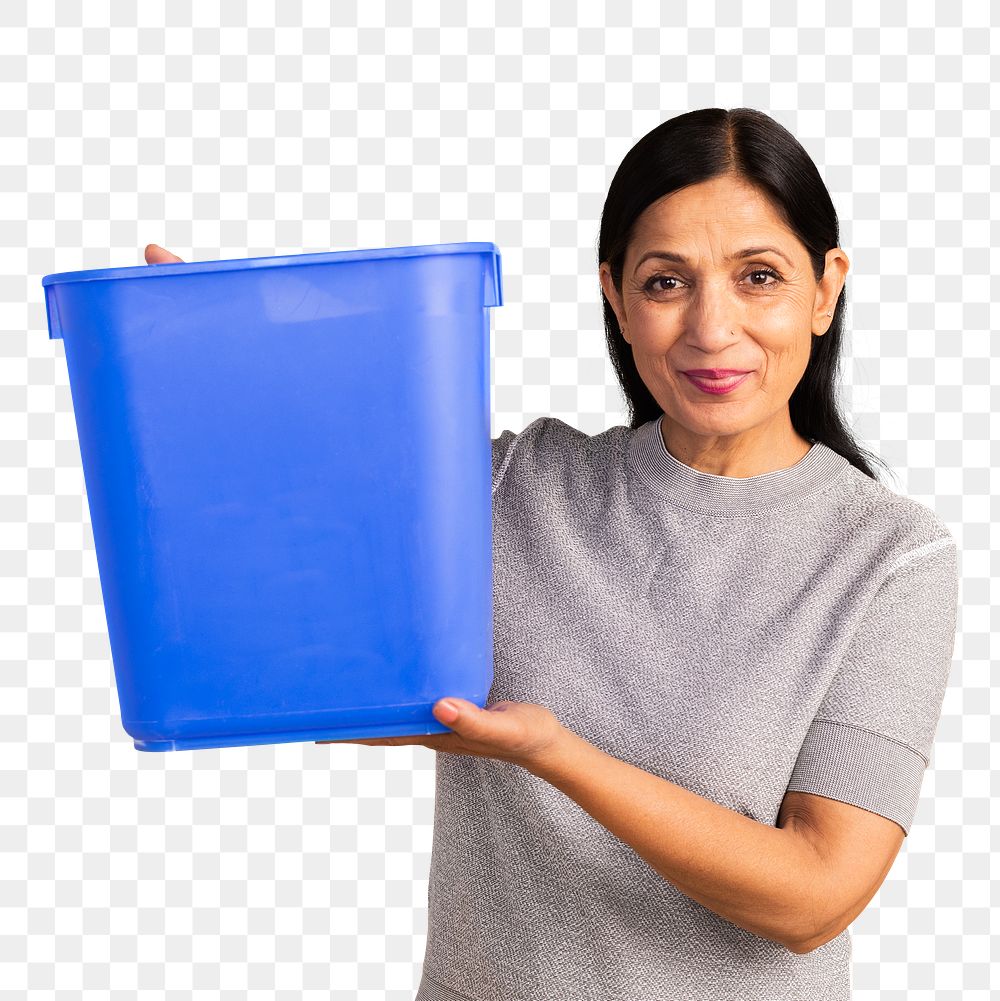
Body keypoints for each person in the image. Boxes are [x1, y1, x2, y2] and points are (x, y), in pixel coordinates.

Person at [144, 106, 961, 1001]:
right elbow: (308, 626)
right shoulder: (512, 485)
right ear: (615, 295)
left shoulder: (889, 558)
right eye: (665, 283)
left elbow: (815, 894)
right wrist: (222, 356)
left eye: (758, 276)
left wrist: (554, 754)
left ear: (824, 287)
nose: (711, 328)